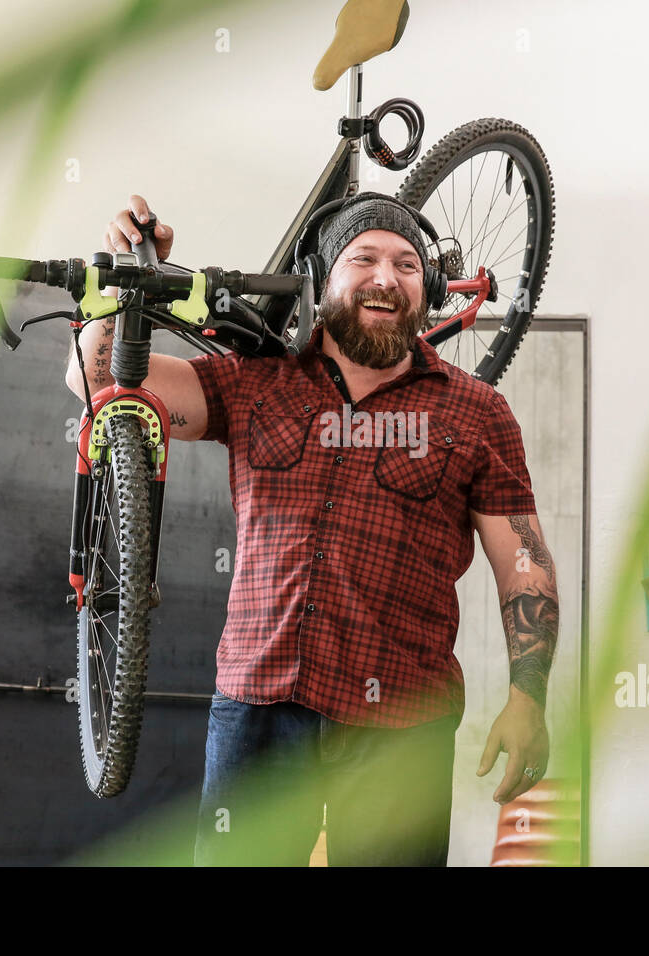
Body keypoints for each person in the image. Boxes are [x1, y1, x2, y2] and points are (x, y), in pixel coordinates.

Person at [68, 191, 560, 866]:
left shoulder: (477, 414)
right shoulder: (255, 382)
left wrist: (528, 699)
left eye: (408, 264)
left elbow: (523, 563)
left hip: (401, 729)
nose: (386, 276)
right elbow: (97, 382)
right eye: (364, 258)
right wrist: (127, 284)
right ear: (323, 280)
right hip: (257, 706)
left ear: (431, 289)